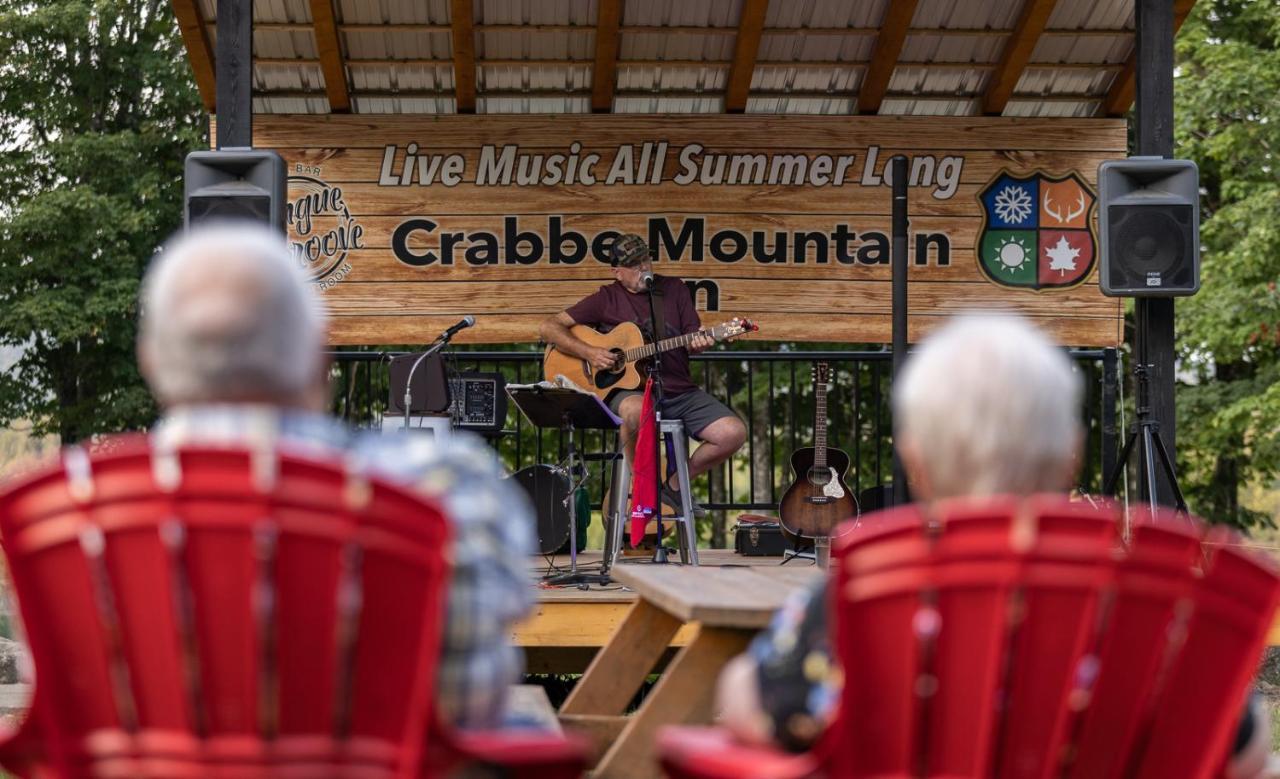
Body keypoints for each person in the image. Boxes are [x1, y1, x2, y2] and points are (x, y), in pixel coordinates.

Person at [713, 314, 1272, 776]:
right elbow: (1243, 748)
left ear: (916, 462)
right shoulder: (1144, 616)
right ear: (1072, 455)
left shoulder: (853, 605)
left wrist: (739, 679)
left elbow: (755, 707)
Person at [136, 222, 536, 729]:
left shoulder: (75, 508)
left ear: (150, 362)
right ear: (317, 357)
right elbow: (475, 698)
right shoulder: (446, 484)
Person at [538, 233, 747, 515]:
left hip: (677, 388)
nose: (643, 268)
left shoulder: (674, 289)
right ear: (617, 272)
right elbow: (549, 328)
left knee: (732, 433)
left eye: (645, 259)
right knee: (636, 410)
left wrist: (702, 340)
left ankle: (672, 487)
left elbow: (691, 339)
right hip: (629, 390)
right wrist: (589, 352)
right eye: (634, 264)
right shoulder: (606, 298)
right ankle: (641, 484)